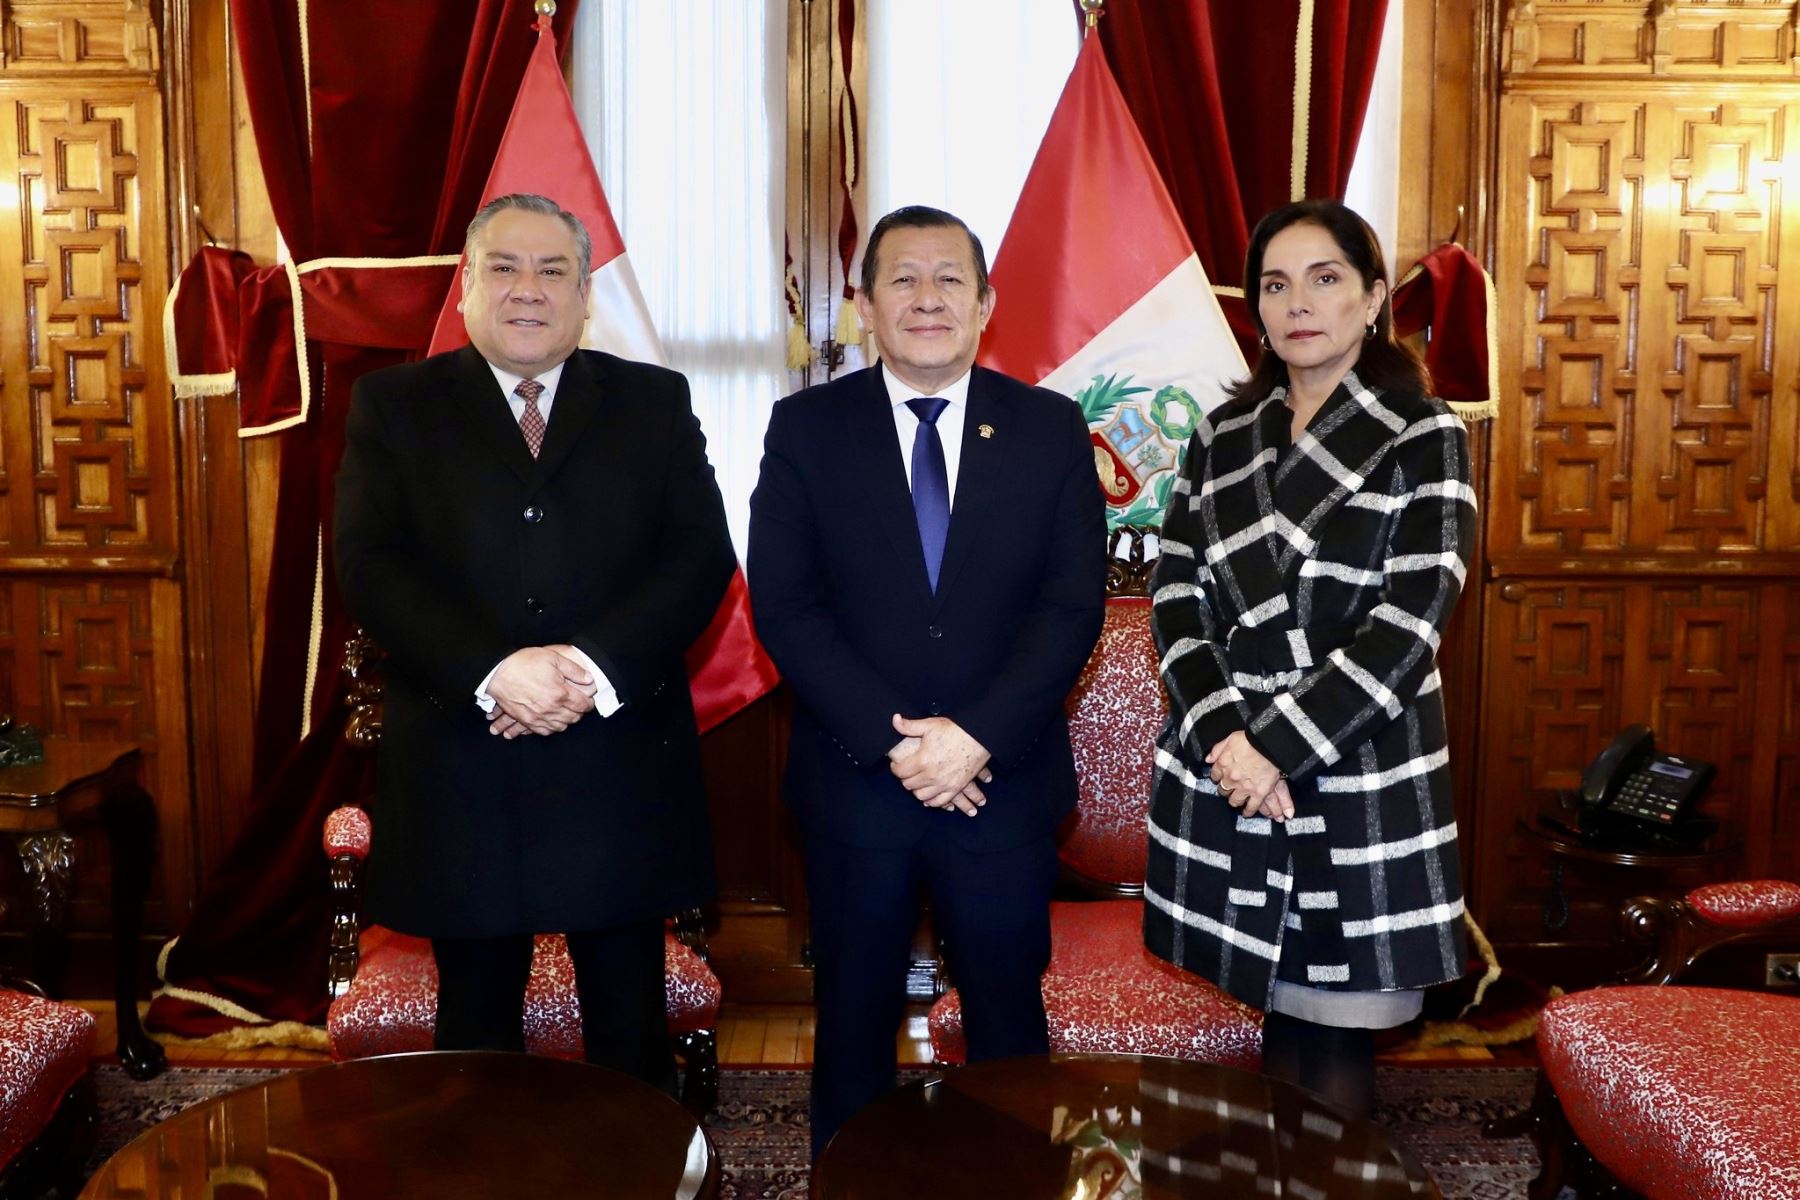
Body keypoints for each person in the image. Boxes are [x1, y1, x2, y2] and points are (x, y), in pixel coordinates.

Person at [333, 193, 735, 1091]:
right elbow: (369, 565)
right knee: (475, 1041)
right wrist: (492, 672)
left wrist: (587, 670)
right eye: (504, 268)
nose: (528, 289)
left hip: (617, 759)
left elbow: (701, 557)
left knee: (631, 1040)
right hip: (463, 762)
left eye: (553, 270)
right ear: (467, 285)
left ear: (585, 294)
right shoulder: (394, 407)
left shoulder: (651, 401)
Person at [748, 205, 1107, 1156]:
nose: (927, 298)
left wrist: (974, 736)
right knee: (853, 1028)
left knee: (1006, 1031)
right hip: (858, 783)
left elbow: (1070, 610)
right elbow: (786, 607)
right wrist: (898, 740)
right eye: (901, 279)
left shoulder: (1050, 428)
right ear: (864, 305)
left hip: (1001, 783)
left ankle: (1010, 1184)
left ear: (987, 304)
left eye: (950, 278)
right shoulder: (805, 430)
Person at [1144, 199, 1476, 1118]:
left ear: (1373, 298)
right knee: (1277, 1022)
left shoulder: (1425, 434)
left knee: (1331, 1036)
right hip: (1234, 767)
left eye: (1325, 279)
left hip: (1353, 767)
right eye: (1276, 284)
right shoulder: (1221, 437)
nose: (1300, 303)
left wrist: (1276, 750)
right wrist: (1226, 740)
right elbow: (1177, 599)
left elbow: (1408, 627)